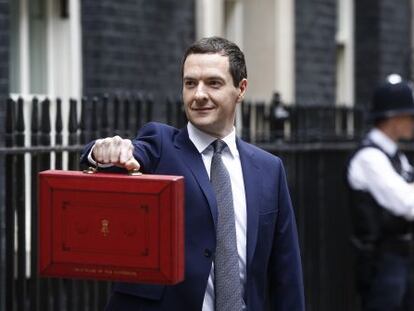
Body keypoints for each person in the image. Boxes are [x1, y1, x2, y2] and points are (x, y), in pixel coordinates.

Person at [81, 36, 304, 311]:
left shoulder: (269, 169)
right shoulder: (160, 144)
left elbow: (286, 273)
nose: (198, 94)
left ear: (241, 88)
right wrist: (104, 151)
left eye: (213, 83)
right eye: (190, 83)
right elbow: (125, 156)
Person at [346, 74, 414, 311]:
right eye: (410, 116)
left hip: (400, 258)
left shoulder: (396, 157)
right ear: (393, 118)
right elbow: (406, 204)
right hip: (381, 263)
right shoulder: (370, 158)